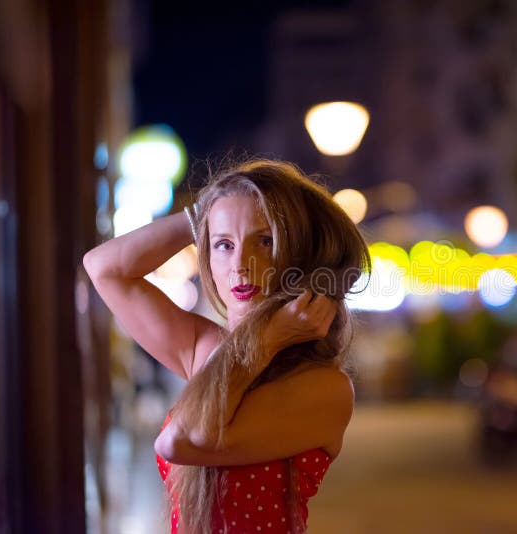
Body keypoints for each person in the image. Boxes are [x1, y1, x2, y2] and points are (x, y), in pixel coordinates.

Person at [84, 159, 370, 533]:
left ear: (299, 256)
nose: (240, 264)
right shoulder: (204, 347)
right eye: (223, 244)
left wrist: (267, 338)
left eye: (264, 241)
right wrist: (204, 213)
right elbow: (104, 267)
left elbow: (180, 440)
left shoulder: (325, 388)